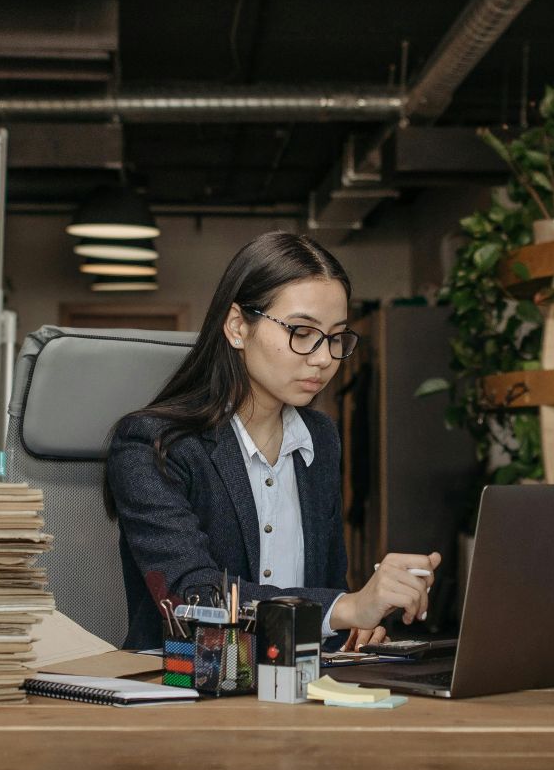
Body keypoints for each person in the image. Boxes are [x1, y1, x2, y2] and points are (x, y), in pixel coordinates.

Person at [107, 231, 440, 650]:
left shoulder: (320, 439)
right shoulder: (153, 445)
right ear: (237, 327)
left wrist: (356, 625)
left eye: (336, 337)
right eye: (302, 331)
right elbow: (192, 600)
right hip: (181, 687)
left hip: (297, 687)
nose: (323, 358)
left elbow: (330, 586)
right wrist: (346, 608)